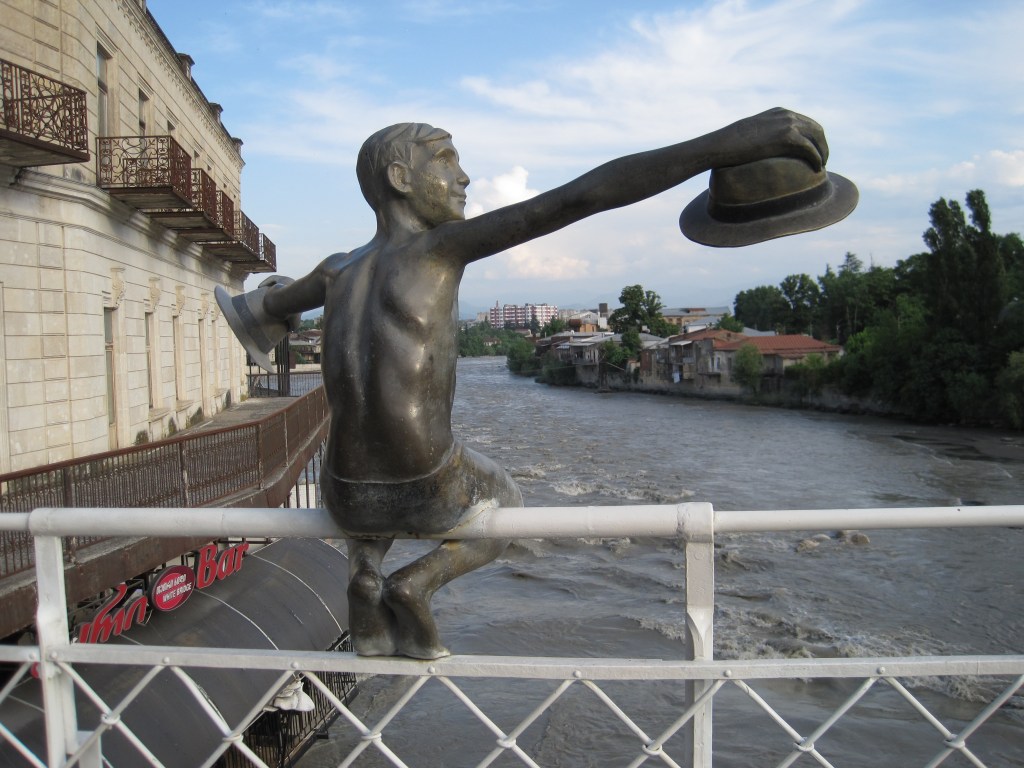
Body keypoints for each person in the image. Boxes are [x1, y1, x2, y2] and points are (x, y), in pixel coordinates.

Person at [241, 108, 829, 659]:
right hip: (424, 480)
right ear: (400, 178)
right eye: (446, 160)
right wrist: (724, 145)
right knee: (506, 500)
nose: (464, 176)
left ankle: (364, 576)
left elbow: (264, 311)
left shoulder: (335, 270)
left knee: (370, 504)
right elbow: (583, 196)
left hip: (342, 489)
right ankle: (415, 584)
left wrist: (273, 299)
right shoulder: (440, 251)